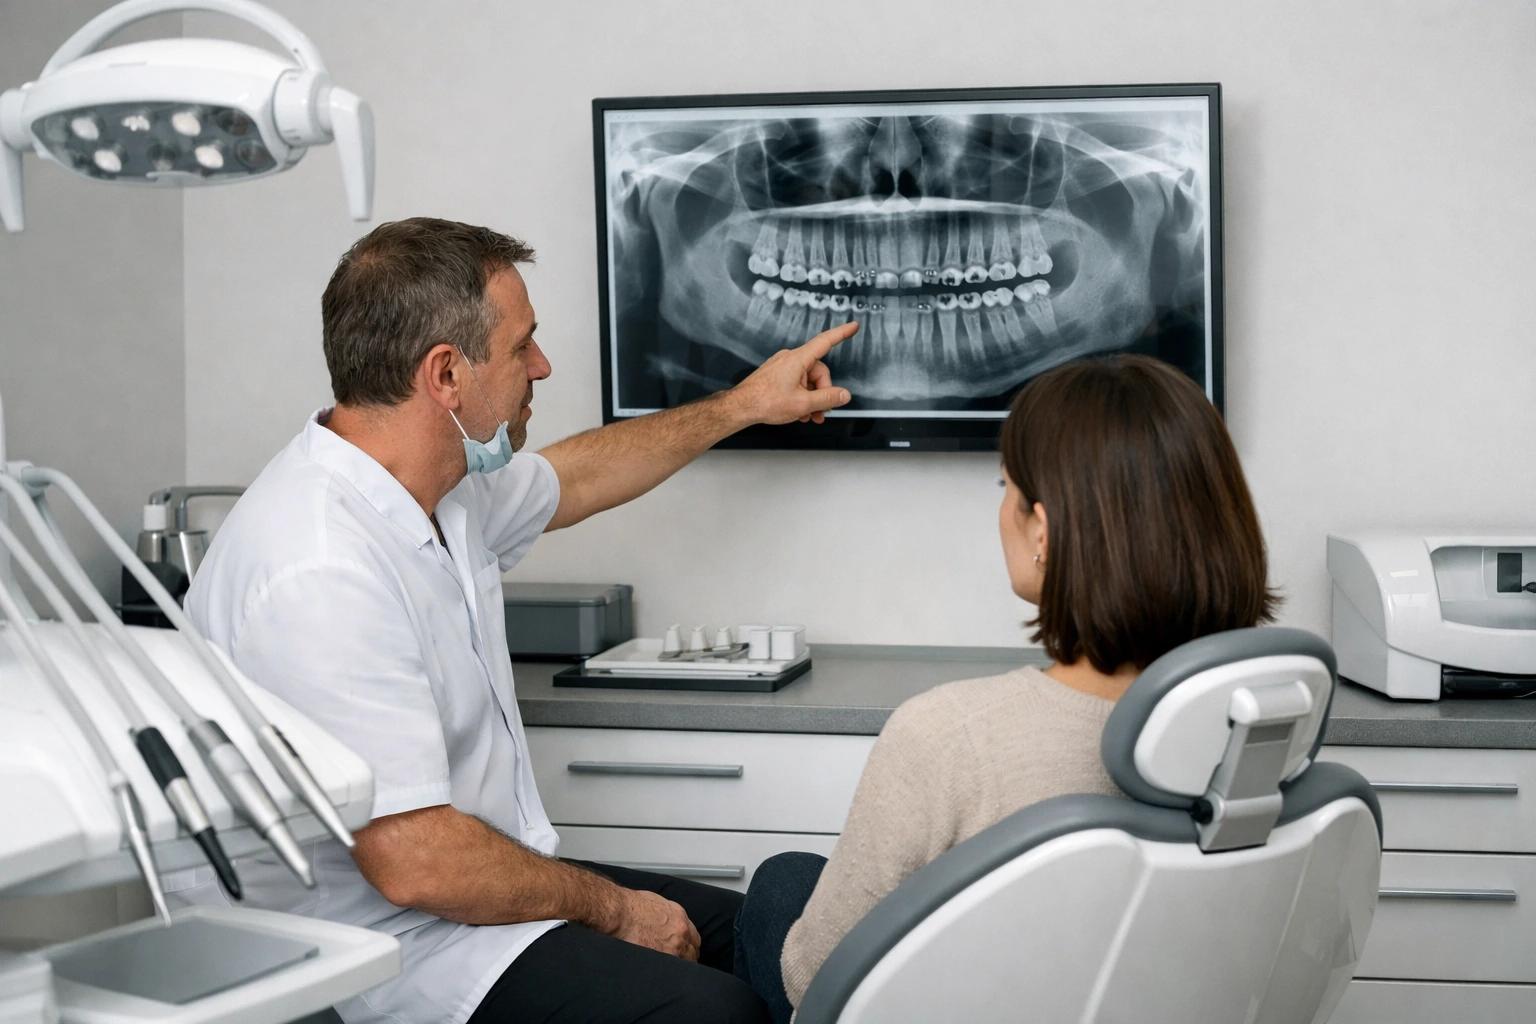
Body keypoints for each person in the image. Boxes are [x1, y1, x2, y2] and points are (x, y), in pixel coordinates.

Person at [183, 217, 857, 1024]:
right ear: (446, 374)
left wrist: (745, 405)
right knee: (715, 1010)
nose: (542, 366)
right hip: (375, 947)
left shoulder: (436, 487)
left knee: (786, 932)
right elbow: (415, 863)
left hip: (464, 897)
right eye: (521, 345)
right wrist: (617, 910)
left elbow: (576, 479)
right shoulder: (320, 565)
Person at [732, 354, 1279, 1023]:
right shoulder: (1265, 721)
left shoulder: (950, 736)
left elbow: (813, 977)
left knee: (780, 887)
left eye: (1005, 485)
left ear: (1042, 529)